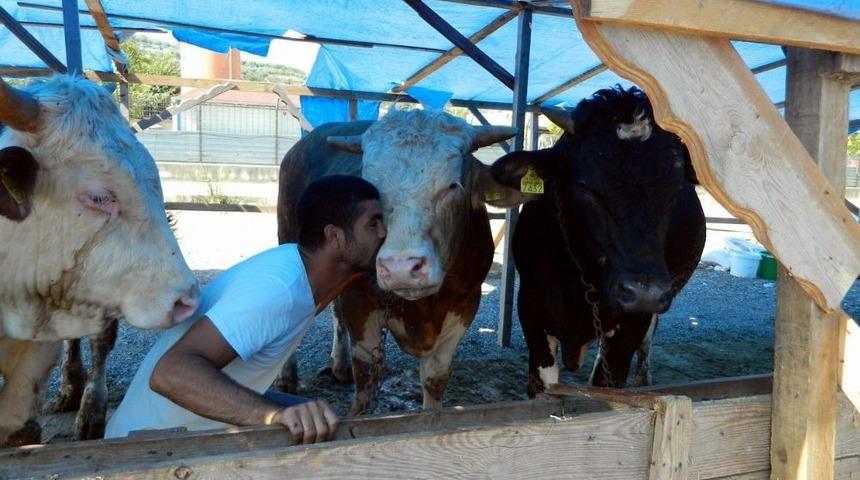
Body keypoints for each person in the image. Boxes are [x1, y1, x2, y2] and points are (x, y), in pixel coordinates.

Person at [104, 175, 386, 444]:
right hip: (148, 448)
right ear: (335, 236)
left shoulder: (301, 271)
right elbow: (171, 373)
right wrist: (272, 415)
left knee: (319, 416)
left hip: (185, 429)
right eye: (373, 224)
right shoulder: (279, 291)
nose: (384, 234)